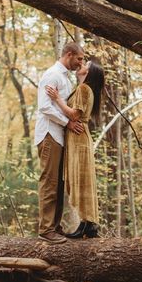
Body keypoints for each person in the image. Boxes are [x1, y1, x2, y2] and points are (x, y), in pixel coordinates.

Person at [46, 59, 105, 239]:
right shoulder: (83, 88)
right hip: (77, 137)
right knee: (81, 179)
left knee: (81, 179)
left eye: (86, 64)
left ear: (90, 72)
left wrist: (57, 99)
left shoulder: (84, 89)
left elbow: (74, 114)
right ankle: (87, 224)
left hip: (79, 138)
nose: (82, 65)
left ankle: (87, 223)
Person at [34, 42, 85, 243]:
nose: (81, 63)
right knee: (49, 182)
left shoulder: (65, 77)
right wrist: (68, 123)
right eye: (79, 58)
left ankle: (54, 226)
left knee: (58, 183)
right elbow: (44, 107)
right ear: (69, 55)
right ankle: (46, 230)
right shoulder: (52, 75)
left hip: (59, 135)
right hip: (49, 134)